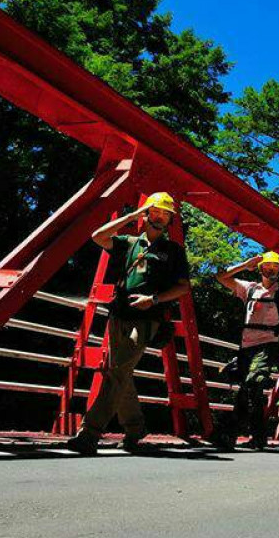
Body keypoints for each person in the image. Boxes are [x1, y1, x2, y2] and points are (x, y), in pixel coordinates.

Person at [68, 192, 190, 455]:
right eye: (155, 211)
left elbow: (183, 287)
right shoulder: (128, 243)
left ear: (170, 219)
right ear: (147, 214)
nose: (160, 216)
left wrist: (154, 299)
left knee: (117, 372)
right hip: (119, 313)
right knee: (120, 372)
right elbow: (98, 236)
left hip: (147, 319)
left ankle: (90, 433)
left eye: (165, 213)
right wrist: (133, 214)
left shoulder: (173, 251)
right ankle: (135, 429)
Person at [217, 251, 279, 450]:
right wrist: (245, 264)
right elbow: (220, 277)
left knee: (252, 383)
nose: (272, 269)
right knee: (250, 391)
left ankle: (230, 434)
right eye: (268, 266)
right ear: (261, 268)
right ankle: (258, 437)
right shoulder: (249, 289)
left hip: (268, 346)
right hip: (246, 347)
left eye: (276, 267)